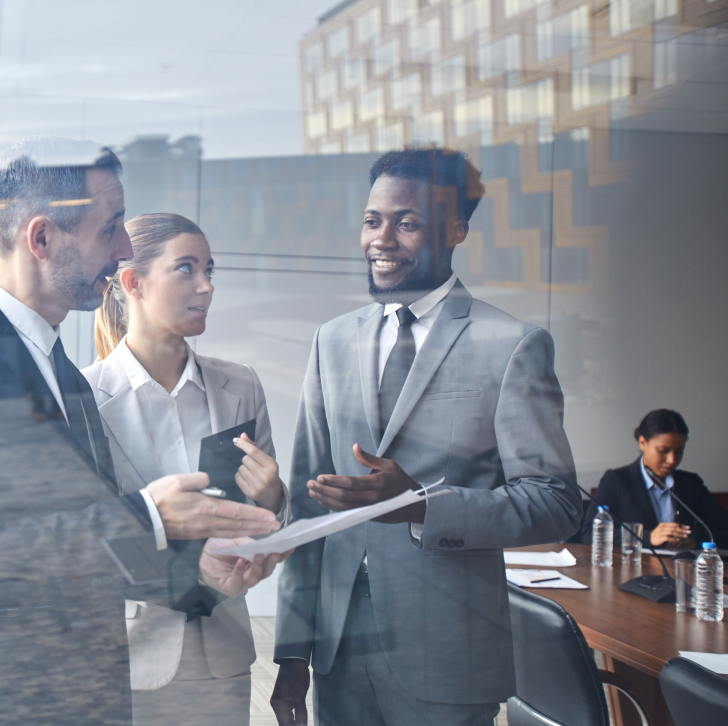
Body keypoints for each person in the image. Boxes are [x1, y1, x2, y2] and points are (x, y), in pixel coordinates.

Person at [0, 137, 283, 726]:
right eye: (110, 228)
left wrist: (203, 569)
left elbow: (84, 551)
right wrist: (151, 515)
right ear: (41, 239)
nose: (121, 251)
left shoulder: (69, 379)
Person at [270, 147, 582, 726]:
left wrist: (420, 506)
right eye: (372, 220)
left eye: (407, 223)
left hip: (447, 656)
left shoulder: (511, 344)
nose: (381, 239)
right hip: (339, 654)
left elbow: (556, 502)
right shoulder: (331, 340)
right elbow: (306, 507)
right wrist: (293, 649)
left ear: (457, 231)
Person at [81, 212, 288, 726]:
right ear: (133, 282)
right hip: (121, 655)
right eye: (187, 269)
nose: (207, 286)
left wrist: (272, 501)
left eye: (210, 269)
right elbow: (81, 539)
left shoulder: (242, 386)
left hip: (221, 652)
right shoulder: (81, 398)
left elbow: (264, 521)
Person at [582, 409, 728, 550]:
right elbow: (590, 534)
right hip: (634, 569)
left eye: (679, 452)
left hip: (682, 569)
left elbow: (724, 530)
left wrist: (696, 541)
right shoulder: (616, 480)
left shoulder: (691, 484)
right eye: (663, 451)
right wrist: (648, 537)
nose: (672, 460)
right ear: (642, 443)